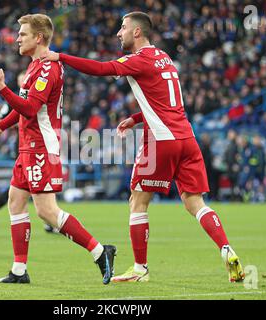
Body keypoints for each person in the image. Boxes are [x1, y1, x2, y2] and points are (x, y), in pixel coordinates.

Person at [41, 11, 244, 283]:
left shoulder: (139, 60)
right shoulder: (165, 58)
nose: (118, 33)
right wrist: (137, 118)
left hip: (161, 140)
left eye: (122, 28)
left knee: (138, 202)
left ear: (137, 32)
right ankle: (226, 248)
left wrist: (60, 57)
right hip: (187, 138)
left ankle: (140, 269)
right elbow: (168, 103)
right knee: (195, 202)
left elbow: (102, 69)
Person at [0, 14, 116, 284]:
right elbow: (25, 110)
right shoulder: (33, 67)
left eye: (23, 34)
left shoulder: (47, 69)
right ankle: (19, 270)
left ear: (38, 38)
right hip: (27, 146)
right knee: (15, 202)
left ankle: (101, 251)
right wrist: (1, 125)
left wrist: (1, 89)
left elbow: (30, 109)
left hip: (41, 147)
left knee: (46, 212)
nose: (17, 38)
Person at [0, 72, 58, 236]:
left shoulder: (36, 94)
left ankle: (48, 219)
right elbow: (2, 119)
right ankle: (50, 218)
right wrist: (6, 125)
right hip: (26, 144)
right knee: (27, 185)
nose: (24, 82)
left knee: (27, 186)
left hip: (34, 142)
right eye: (21, 80)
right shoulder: (13, 101)